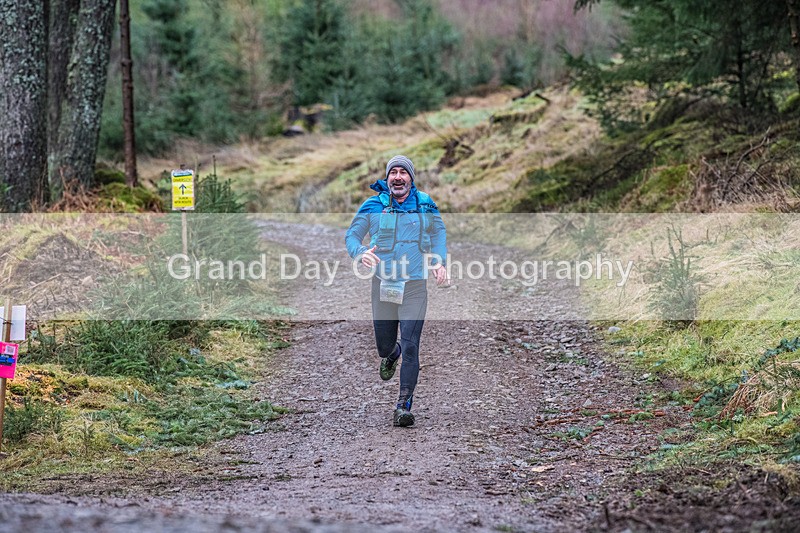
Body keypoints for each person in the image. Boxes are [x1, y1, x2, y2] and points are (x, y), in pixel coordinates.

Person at [345, 155, 448, 427]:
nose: (398, 177)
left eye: (404, 172)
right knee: (384, 346)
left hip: (414, 285)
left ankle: (403, 405)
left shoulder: (425, 204)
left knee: (412, 346)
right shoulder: (373, 205)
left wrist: (439, 261)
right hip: (384, 284)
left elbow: (438, 234)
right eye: (394, 172)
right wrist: (361, 252)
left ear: (411, 179)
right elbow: (352, 236)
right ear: (388, 178)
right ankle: (392, 353)